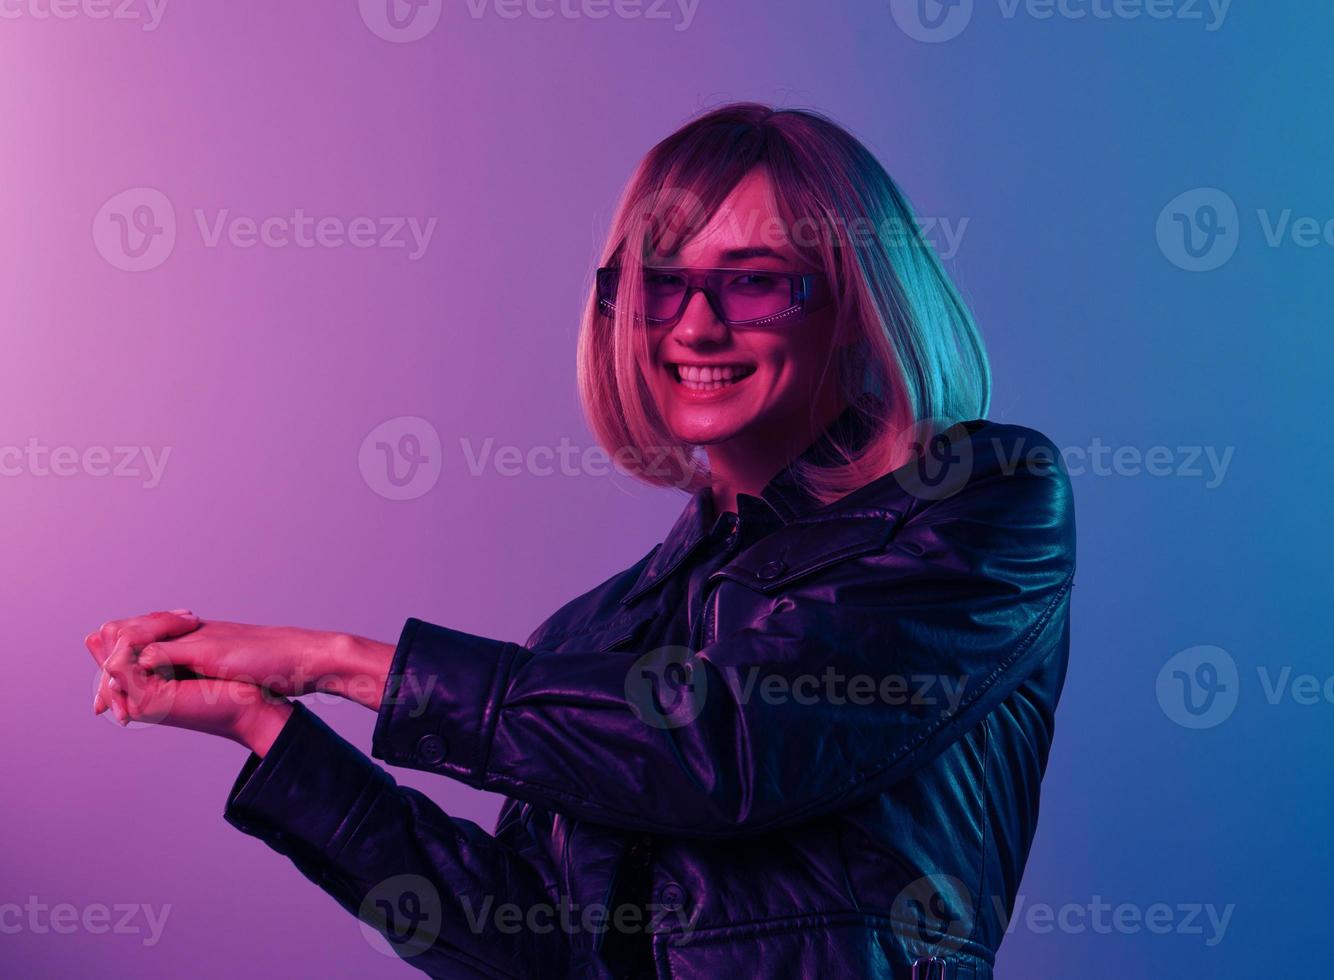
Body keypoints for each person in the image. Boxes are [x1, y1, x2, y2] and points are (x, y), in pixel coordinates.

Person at [85, 102, 1076, 980]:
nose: (693, 324)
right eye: (658, 284)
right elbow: (531, 946)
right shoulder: (593, 630)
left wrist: (334, 660)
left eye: (755, 281)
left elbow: (731, 744)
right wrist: (269, 731)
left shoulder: (985, 501)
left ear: (857, 305)